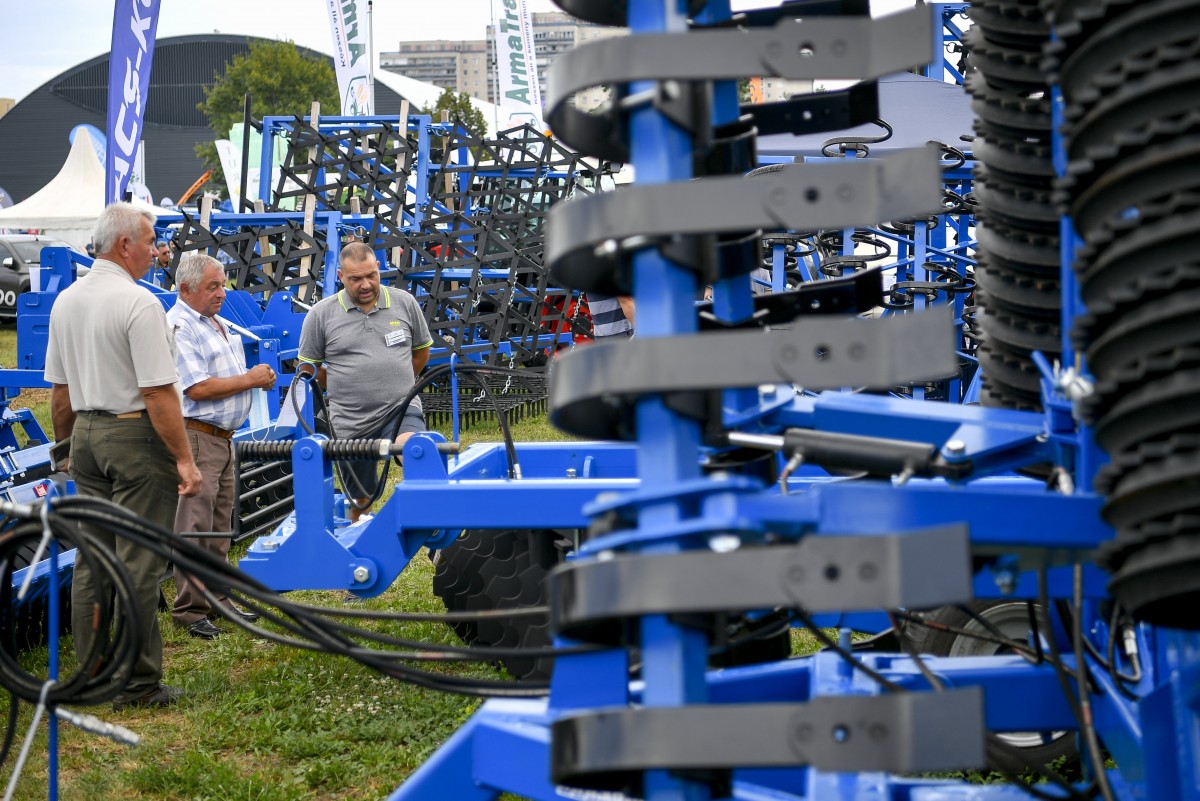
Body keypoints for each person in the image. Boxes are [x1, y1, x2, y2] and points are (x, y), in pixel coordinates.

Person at [44, 202, 203, 711]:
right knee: (138, 562)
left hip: (87, 434)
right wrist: (184, 459)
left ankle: (90, 675)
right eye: (152, 241)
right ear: (124, 245)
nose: (157, 250)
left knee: (94, 559)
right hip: (134, 437)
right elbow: (158, 393)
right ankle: (137, 685)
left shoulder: (66, 301)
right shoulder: (138, 304)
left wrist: (66, 447)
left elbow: (61, 392)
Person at [167, 254, 275, 640]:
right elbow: (196, 387)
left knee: (219, 523)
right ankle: (190, 609)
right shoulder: (181, 327)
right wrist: (249, 380)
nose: (221, 292)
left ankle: (217, 595)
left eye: (222, 283)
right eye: (212, 286)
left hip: (222, 438)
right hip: (198, 435)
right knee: (195, 525)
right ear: (185, 289)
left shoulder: (213, 321)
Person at [298, 242, 433, 523]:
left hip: (399, 407)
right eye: (356, 278)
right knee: (361, 498)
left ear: (378, 269)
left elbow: (421, 352)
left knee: (414, 451)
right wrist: (337, 381)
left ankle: (424, 521)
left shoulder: (404, 303)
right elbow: (307, 366)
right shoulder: (321, 315)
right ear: (340, 276)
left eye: (371, 275)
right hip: (349, 421)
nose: (365, 284)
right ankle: (359, 539)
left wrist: (399, 378)